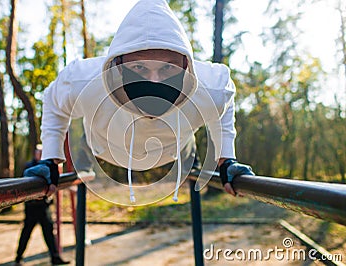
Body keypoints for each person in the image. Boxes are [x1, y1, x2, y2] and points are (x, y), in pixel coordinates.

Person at [28, 0, 254, 204]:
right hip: (103, 147)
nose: (154, 81)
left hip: (173, 150)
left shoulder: (211, 87)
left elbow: (224, 103)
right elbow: (52, 100)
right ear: (118, 65)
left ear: (186, 65)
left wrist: (226, 159)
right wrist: (51, 158)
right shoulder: (82, 81)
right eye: (139, 68)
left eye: (168, 68)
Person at [15, 146, 69, 266]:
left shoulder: (48, 166)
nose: (40, 154)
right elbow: (24, 181)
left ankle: (55, 257)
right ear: (35, 154)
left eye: (42, 152)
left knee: (49, 232)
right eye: (38, 152)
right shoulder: (30, 166)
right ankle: (18, 258)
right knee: (26, 233)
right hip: (32, 206)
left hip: (44, 206)